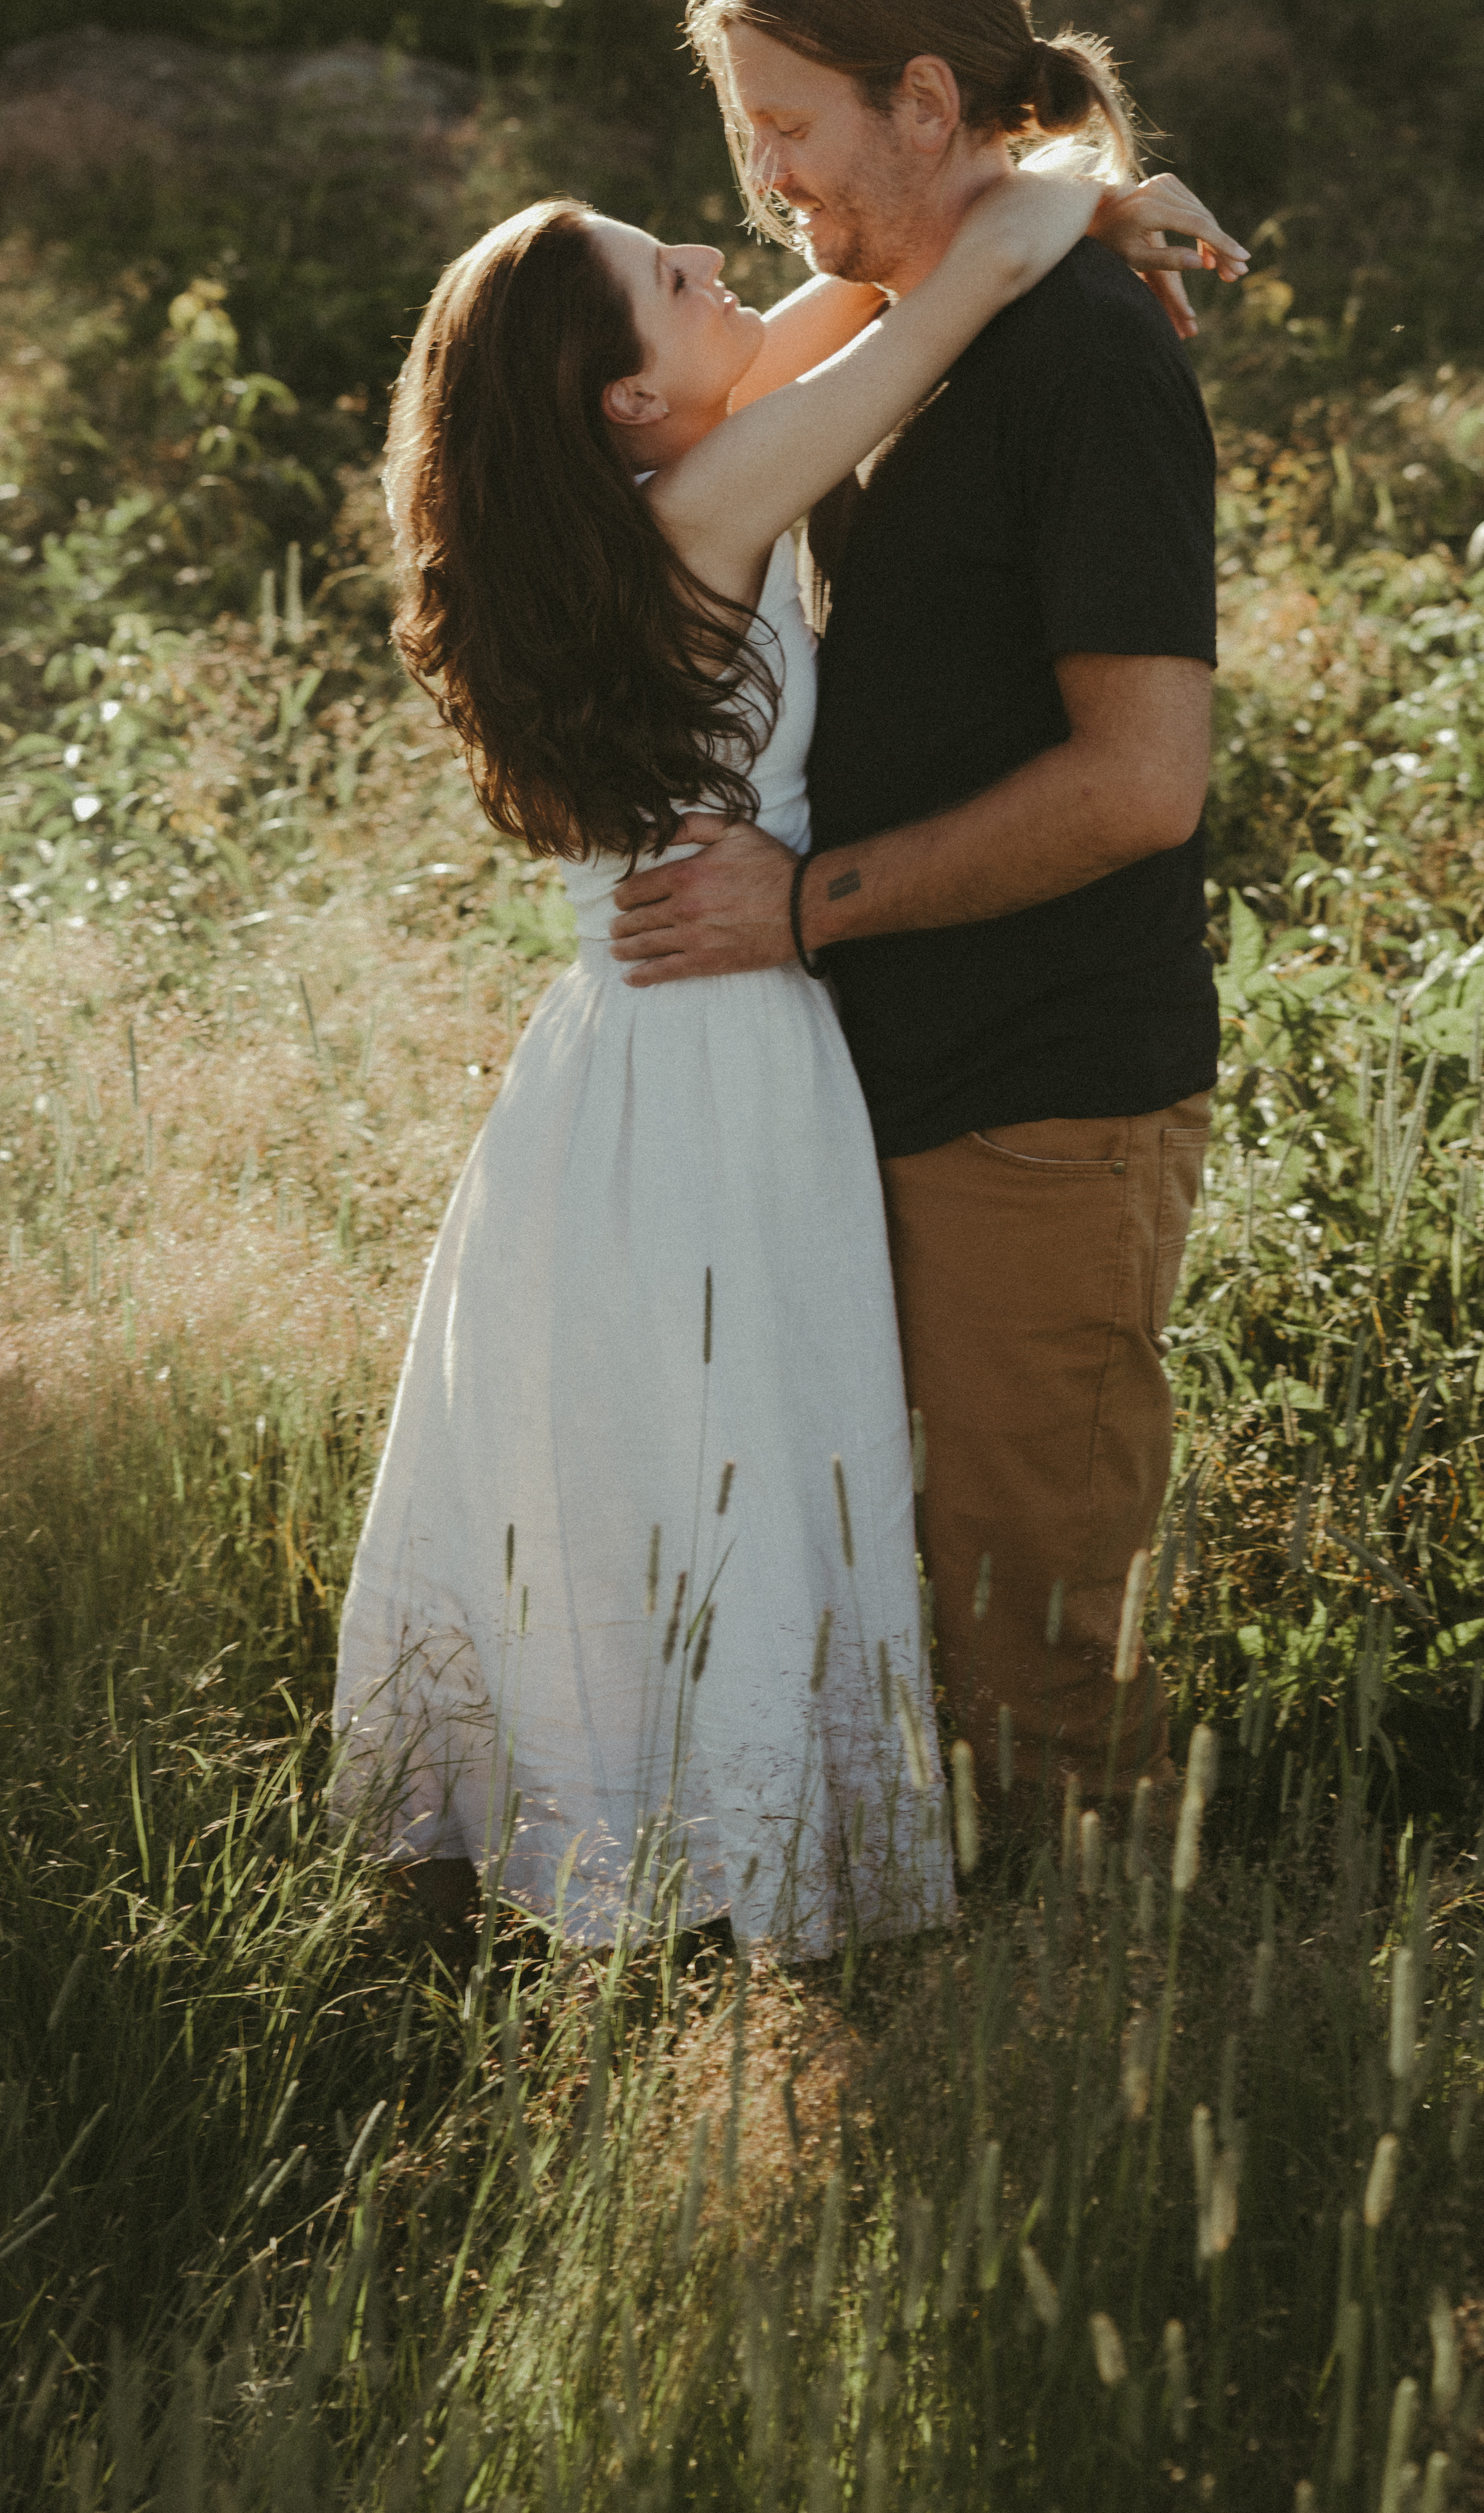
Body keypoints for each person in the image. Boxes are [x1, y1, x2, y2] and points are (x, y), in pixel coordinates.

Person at [330, 141, 1241, 1959]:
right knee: (745, 1438)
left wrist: (1066, 193)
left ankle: (611, 1839)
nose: (701, 245)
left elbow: (874, 298)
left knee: (641, 1450)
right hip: (728, 1048)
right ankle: (740, 1871)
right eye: (661, 272)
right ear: (628, 398)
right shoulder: (711, 500)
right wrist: (1076, 192)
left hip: (601, 1066)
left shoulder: (636, 501)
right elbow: (944, 307)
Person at [611, 0, 1230, 1846]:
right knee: (895, 1592)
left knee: (1036, 1645)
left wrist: (804, 907)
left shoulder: (1084, 365)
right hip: (878, 1073)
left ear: (929, 100)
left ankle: (1085, 2051)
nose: (767, 178)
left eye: (789, 126)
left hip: (1041, 1088)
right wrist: (1088, 189)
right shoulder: (915, 324)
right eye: (747, 136)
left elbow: (1142, 781)